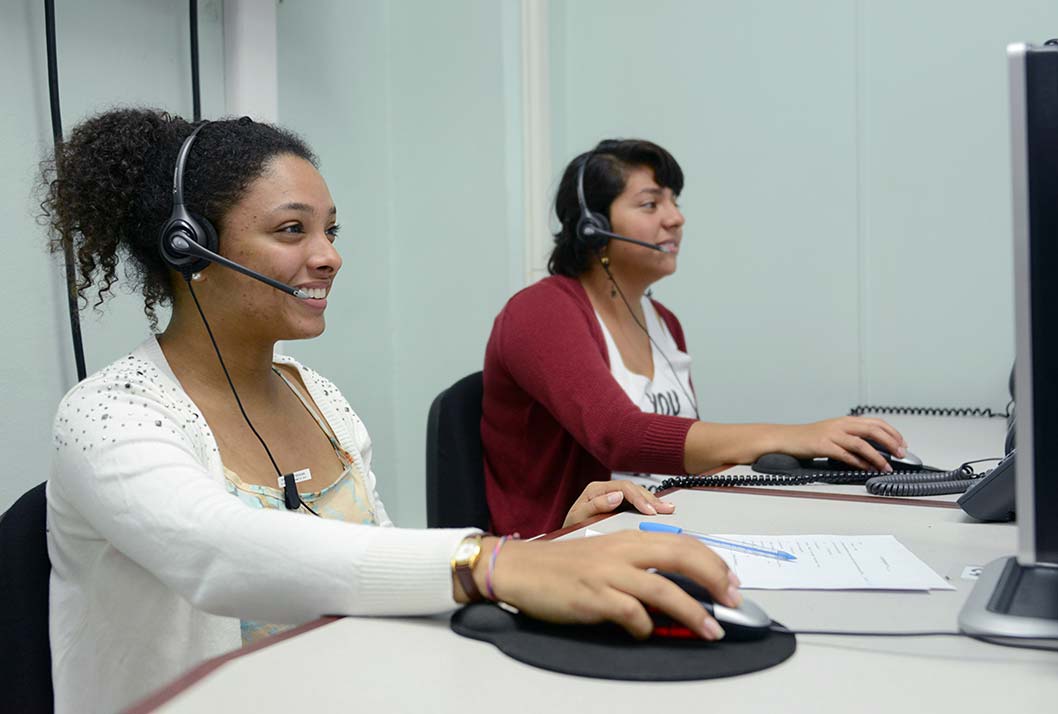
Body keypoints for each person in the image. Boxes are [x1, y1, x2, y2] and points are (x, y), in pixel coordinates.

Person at [41, 111, 739, 714]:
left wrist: (550, 550)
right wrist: (492, 564)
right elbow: (217, 552)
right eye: (292, 231)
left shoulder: (319, 397)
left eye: (331, 230)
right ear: (187, 245)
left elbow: (373, 570)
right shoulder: (107, 415)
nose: (330, 257)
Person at [481, 139, 907, 536]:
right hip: (565, 551)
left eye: (674, 202)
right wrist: (791, 435)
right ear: (593, 227)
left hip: (660, 530)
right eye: (650, 204)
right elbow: (619, 436)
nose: (675, 218)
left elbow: (684, 456)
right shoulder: (540, 311)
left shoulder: (663, 321)